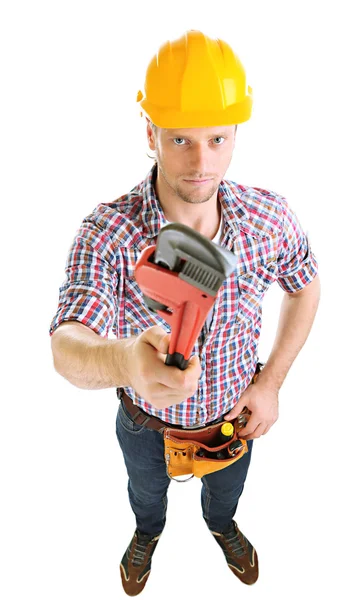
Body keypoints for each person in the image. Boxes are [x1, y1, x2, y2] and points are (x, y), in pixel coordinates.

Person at [49, 30, 320, 596]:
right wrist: (125, 360)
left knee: (224, 496)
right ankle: (147, 534)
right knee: (146, 496)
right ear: (150, 133)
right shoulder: (110, 231)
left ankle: (222, 528)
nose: (202, 162)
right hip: (144, 425)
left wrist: (270, 383)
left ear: (236, 134)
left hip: (233, 421)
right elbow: (67, 345)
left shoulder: (268, 218)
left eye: (218, 139)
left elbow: (306, 285)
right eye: (181, 141)